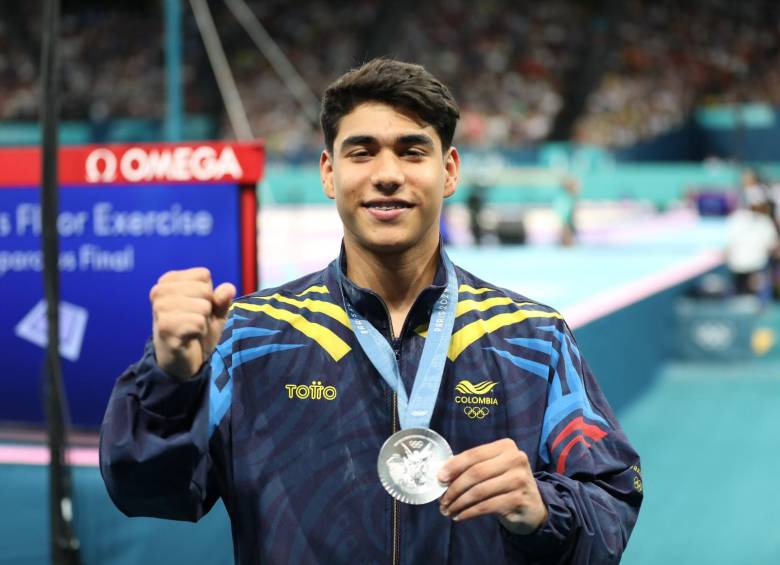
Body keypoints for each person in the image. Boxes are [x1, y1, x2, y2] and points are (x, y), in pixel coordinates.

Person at [100, 59, 642, 564]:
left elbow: (612, 504)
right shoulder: (252, 336)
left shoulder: (532, 339)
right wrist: (172, 381)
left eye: (412, 151)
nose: (387, 174)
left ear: (448, 171)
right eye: (362, 152)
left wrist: (545, 509)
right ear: (329, 173)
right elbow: (150, 492)